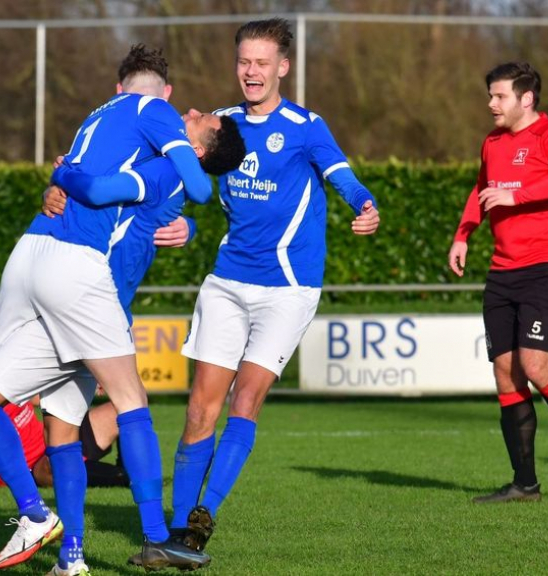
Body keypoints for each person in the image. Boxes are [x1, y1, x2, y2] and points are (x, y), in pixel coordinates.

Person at [0, 45, 240, 574]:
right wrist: (65, 184)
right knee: (112, 408)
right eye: (193, 109)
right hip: (84, 291)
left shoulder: (150, 151)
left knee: (21, 414)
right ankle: (139, 539)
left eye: (204, 118)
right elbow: (126, 190)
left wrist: (67, 181)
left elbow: (147, 192)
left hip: (63, 280)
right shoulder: (155, 148)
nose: (195, 112)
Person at [165, 17, 380, 558]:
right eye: (244, 62)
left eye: (262, 62)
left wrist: (365, 205)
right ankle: (172, 534)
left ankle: (201, 518)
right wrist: (183, 224)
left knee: (247, 398)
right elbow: (177, 187)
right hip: (227, 283)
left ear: (283, 67)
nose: (251, 72)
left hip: (288, 288)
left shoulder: (307, 126)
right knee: (199, 409)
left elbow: (343, 176)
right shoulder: (221, 123)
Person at [446, 61, 548, 503]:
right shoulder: (492, 142)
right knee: (505, 372)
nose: (491, 104)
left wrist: (517, 195)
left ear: (526, 99)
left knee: (535, 365)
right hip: (503, 271)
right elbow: (480, 189)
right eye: (490, 96)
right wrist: (463, 235)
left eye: (499, 96)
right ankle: (525, 484)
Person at [0, 326, 129, 490]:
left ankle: (128, 468)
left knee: (119, 408)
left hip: (50, 445)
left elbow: (40, 395)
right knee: (57, 461)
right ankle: (123, 478)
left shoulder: (12, 379)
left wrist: (92, 380)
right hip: (34, 468)